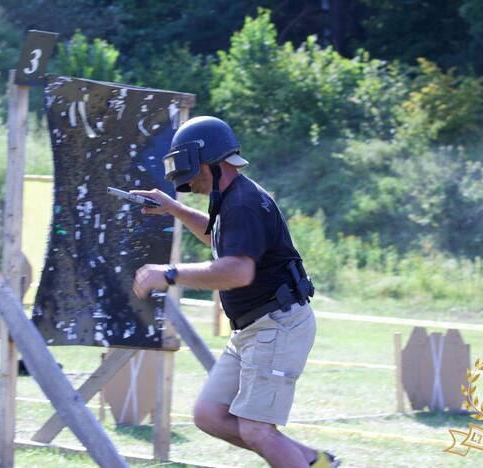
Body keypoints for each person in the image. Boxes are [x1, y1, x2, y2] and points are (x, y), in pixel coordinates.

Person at [132, 116, 339, 468]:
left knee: (257, 430)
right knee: (210, 415)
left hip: (277, 325)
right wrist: (174, 207)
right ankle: (312, 461)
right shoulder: (230, 197)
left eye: (191, 172)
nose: (189, 183)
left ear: (210, 162)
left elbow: (238, 271)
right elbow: (215, 236)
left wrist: (167, 274)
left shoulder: (241, 203)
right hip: (253, 328)